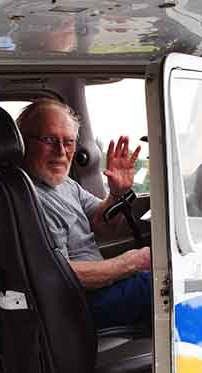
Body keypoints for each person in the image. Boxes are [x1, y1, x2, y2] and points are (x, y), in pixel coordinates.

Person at [16, 99, 151, 329]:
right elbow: (57, 274)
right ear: (22, 142)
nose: (61, 151)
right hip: (76, 304)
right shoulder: (27, 197)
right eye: (49, 140)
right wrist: (130, 263)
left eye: (68, 142)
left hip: (93, 290)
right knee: (169, 285)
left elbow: (102, 224)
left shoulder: (63, 183)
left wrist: (117, 194)